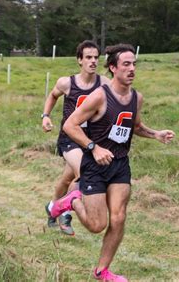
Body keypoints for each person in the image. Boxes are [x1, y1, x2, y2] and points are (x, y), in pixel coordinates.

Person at [50, 44, 175, 281]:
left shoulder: (137, 98)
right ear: (113, 67)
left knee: (118, 218)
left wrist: (155, 134)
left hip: (119, 164)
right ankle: (74, 199)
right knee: (97, 225)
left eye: (134, 64)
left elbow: (135, 127)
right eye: (126, 64)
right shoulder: (99, 96)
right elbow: (69, 125)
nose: (132, 69)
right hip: (94, 166)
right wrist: (93, 147)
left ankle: (102, 271)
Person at [43, 40, 110, 236]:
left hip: (91, 139)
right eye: (88, 57)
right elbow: (52, 96)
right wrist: (45, 116)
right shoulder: (67, 83)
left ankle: (52, 208)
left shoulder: (104, 83)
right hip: (70, 138)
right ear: (79, 60)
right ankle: (65, 214)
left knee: (67, 179)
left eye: (96, 57)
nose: (93, 61)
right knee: (84, 172)